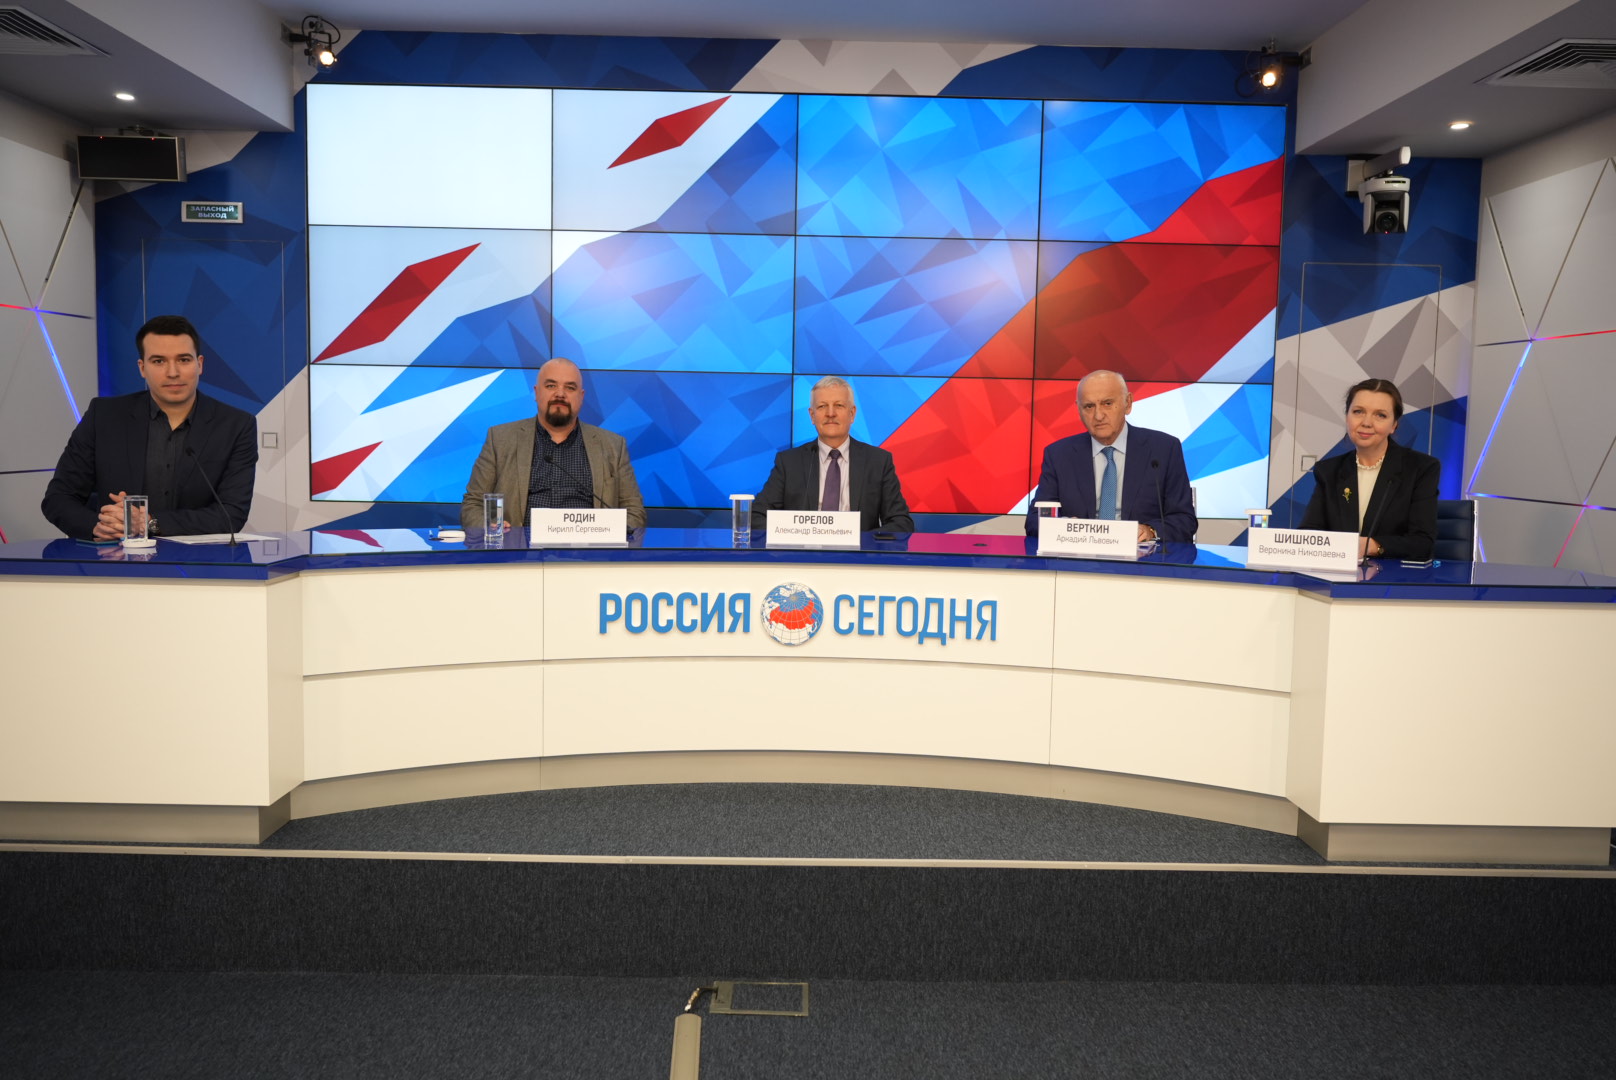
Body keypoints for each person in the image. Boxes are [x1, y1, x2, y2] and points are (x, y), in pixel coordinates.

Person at [41, 314, 257, 540]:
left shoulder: (236, 425)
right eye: (159, 361)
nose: (173, 372)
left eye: (184, 360)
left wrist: (149, 523)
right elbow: (58, 498)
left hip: (198, 559)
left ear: (199, 364)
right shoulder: (103, 416)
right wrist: (98, 527)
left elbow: (232, 514)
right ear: (142, 368)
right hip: (116, 555)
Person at [460, 357, 645, 531]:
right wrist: (493, 526)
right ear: (536, 392)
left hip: (588, 551)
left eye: (570, 388)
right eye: (551, 386)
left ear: (581, 396)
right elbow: (474, 504)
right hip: (520, 550)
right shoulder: (500, 439)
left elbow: (634, 512)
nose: (560, 394)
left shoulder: (613, 445)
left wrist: (610, 533)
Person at [1025, 370, 1196, 542]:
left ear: (1128, 403)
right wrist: (1065, 526)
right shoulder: (1059, 455)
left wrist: (1150, 530)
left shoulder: (1163, 449)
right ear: (1078, 409)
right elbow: (1034, 521)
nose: (1098, 416)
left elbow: (1184, 520)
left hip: (1140, 556)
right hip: (1079, 555)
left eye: (1107, 403)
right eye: (1089, 406)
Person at [1300, 377, 1439, 561]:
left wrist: (1372, 546)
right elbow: (1309, 533)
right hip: (1338, 574)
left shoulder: (1420, 468)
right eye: (1358, 412)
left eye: (1380, 415)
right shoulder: (1328, 471)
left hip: (1393, 576)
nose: (1366, 422)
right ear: (1347, 417)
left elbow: (1422, 543)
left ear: (1394, 425)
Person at [753, 375, 913, 532]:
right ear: (812, 415)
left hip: (859, 549)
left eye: (839, 405)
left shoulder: (878, 461)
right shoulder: (789, 463)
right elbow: (756, 516)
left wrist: (861, 541)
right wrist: (790, 535)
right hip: (803, 549)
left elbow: (901, 523)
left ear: (852, 414)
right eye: (822, 406)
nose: (830, 413)